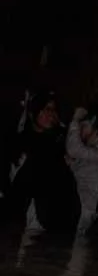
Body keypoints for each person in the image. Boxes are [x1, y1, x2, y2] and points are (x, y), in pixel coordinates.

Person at [0, 92, 79, 237]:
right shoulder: (21, 140)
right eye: (45, 109)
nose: (50, 114)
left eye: (53, 110)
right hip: (30, 210)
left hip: (58, 209)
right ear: (33, 113)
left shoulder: (61, 138)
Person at [65, 104, 98, 234]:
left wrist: (75, 120)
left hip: (86, 209)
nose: (80, 131)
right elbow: (83, 171)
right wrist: (73, 164)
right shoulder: (95, 149)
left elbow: (73, 149)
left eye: (84, 126)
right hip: (81, 205)